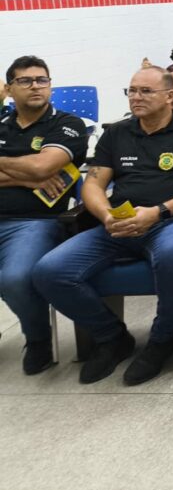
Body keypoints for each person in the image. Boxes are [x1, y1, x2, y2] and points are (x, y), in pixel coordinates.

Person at [34, 66, 173, 385]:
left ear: (170, 96)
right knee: (48, 271)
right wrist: (106, 215)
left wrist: (159, 212)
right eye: (131, 90)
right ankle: (112, 337)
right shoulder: (117, 133)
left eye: (145, 91)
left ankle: (162, 339)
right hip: (117, 223)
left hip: (168, 222)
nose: (136, 97)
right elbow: (93, 184)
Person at [0, 56, 88, 375]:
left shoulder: (67, 124)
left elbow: (43, 167)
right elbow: (34, 173)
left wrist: (29, 171)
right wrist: (25, 178)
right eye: (25, 81)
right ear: (9, 89)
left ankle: (37, 338)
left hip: (36, 221)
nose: (35, 86)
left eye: (42, 80)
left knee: (14, 278)